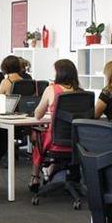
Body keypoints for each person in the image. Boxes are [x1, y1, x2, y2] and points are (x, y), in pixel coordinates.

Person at [29, 59, 81, 192]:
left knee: (37, 137)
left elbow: (37, 115)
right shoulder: (81, 92)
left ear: (60, 73)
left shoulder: (51, 89)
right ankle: (52, 170)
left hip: (56, 141)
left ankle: (35, 177)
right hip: (78, 142)